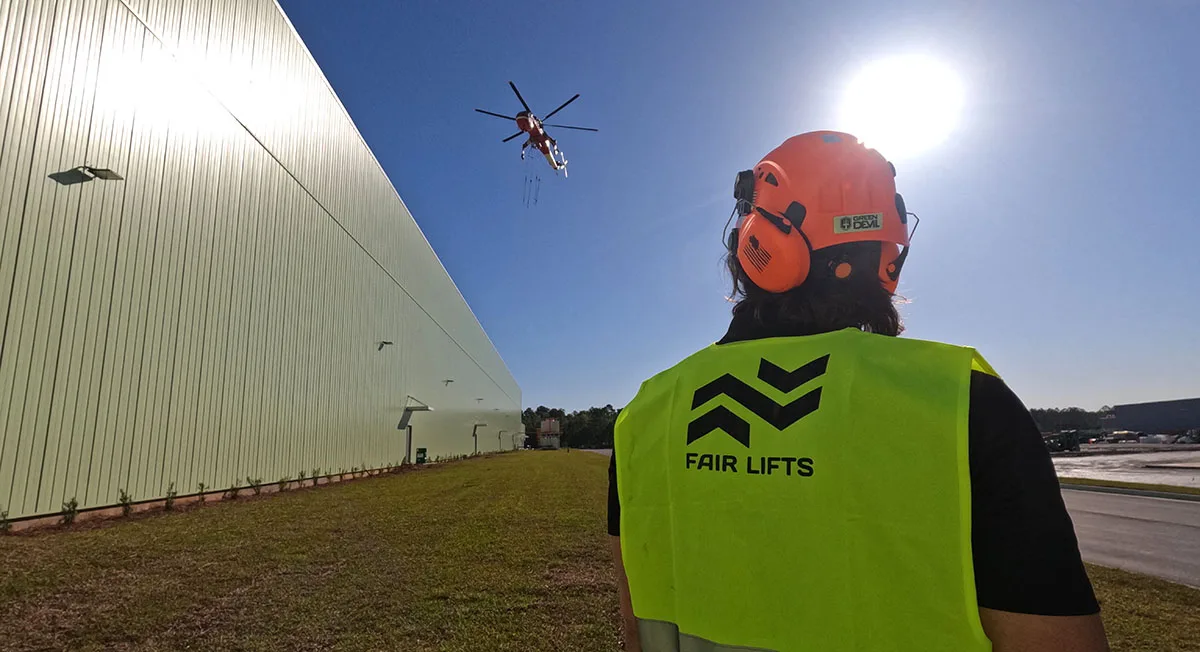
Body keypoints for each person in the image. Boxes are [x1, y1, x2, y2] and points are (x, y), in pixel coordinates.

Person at [608, 131, 1108, 652]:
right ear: (888, 259)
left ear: (756, 245)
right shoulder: (962, 403)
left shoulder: (647, 415)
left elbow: (635, 628)